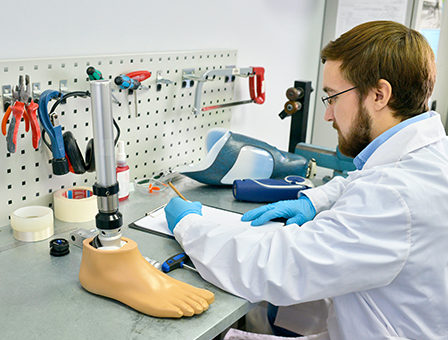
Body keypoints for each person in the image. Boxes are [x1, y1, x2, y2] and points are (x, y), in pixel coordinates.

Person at [164, 20, 448, 339]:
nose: (328, 115)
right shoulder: (428, 157)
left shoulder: (395, 194)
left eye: (333, 97)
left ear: (380, 94)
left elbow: (277, 267)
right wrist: (314, 200)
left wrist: (190, 226)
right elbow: (362, 182)